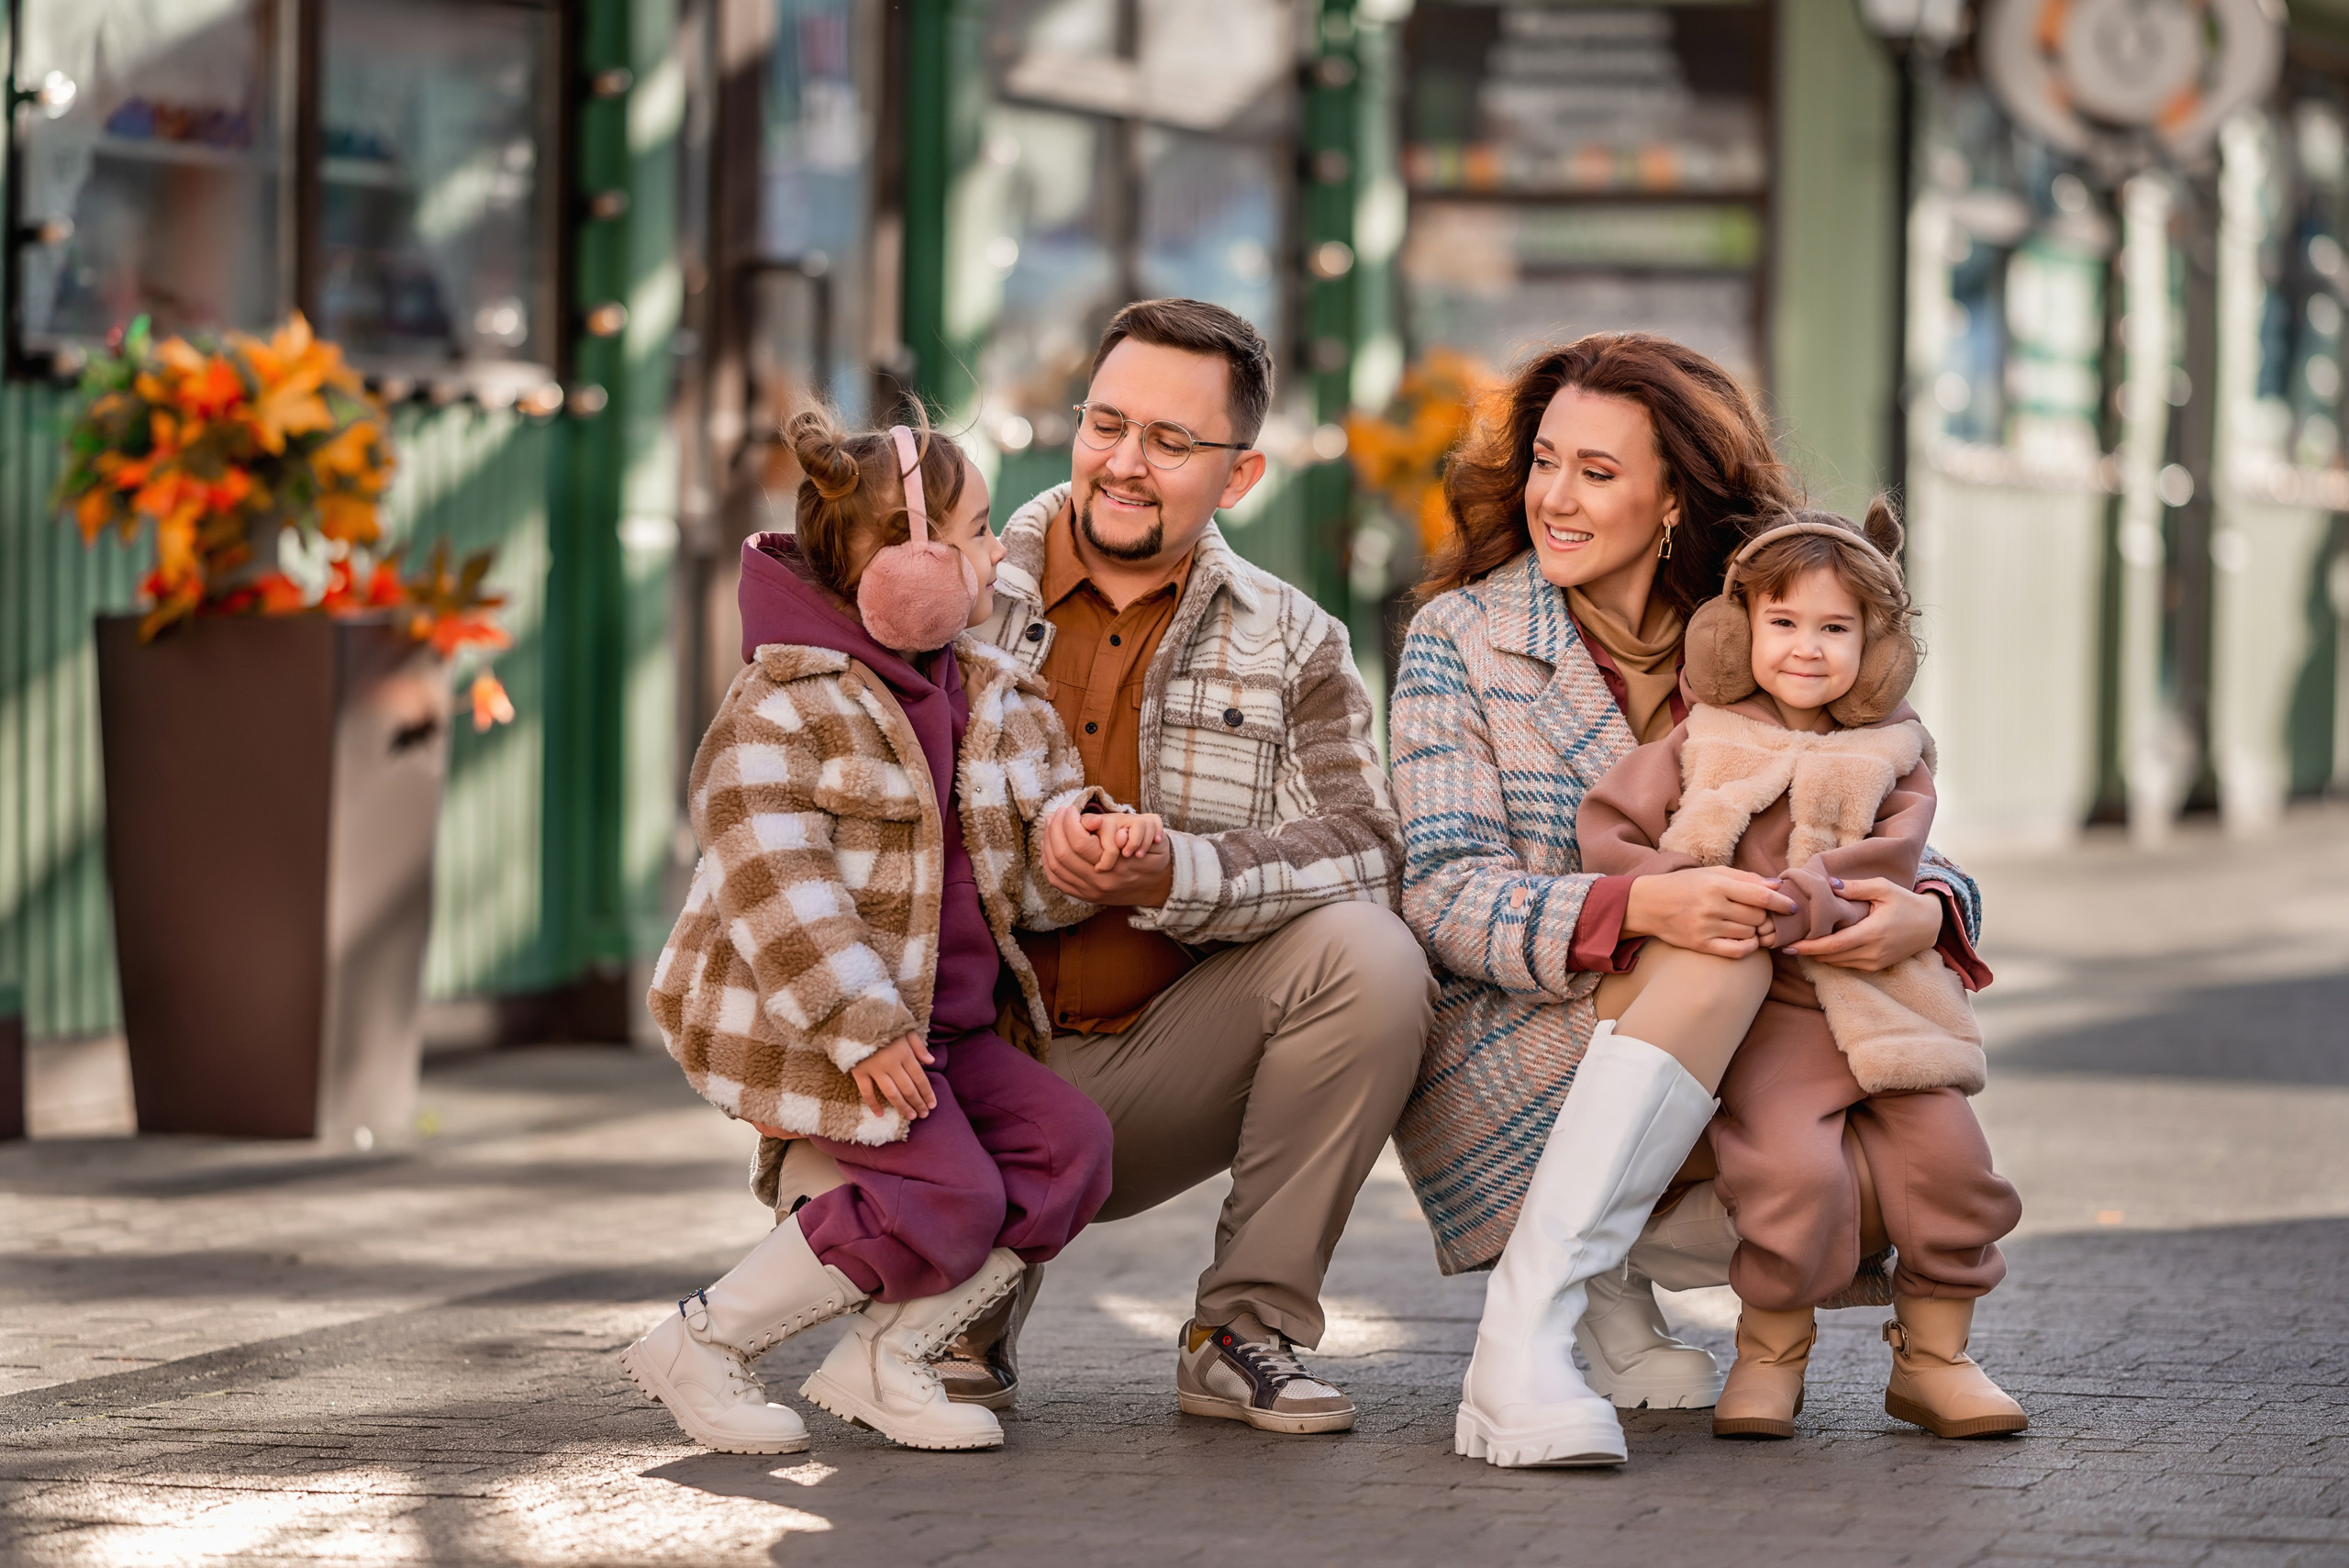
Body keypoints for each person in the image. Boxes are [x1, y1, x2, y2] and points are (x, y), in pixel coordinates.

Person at [783, 296, 1432, 1434]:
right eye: (1105, 423)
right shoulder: (944, 582)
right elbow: (788, 820)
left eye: (1172, 443)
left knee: (1371, 954)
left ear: (1239, 476)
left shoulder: (1295, 639)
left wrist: (1173, 872)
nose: (1125, 465)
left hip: (1152, 1069)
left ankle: (1244, 1329)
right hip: (938, 1070)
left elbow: (1367, 848)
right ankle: (947, 1306)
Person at [1388, 332, 1992, 1468]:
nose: (1553, 499)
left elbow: (1897, 807)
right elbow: (1442, 891)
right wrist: (1636, 909)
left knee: (1916, 1158)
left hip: (1776, 1039)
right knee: (1716, 955)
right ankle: (1523, 1337)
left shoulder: (1783, 614)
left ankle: (1651, 1304)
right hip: (1535, 1038)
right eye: (1544, 462)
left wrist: (1935, 913)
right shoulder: (1458, 639)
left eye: (1597, 472)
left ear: (1673, 497)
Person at [624, 407, 1126, 1455]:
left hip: (950, 1031)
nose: (997, 554)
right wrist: (860, 1022)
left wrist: (1079, 843)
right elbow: (774, 878)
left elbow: (1032, 838)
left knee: (1068, 1150)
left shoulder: (982, 685)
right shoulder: (781, 704)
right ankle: (700, 1342)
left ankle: (885, 1358)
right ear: (907, 557)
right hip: (823, 1025)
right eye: (979, 530)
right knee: (950, 1195)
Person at [1577, 503, 2026, 1444]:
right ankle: (1770, 1352)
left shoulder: (1893, 750)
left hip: (1880, 991)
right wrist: (1682, 888)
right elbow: (1609, 836)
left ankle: (1935, 1357)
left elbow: (1896, 858)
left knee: (1951, 1160)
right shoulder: (1698, 738)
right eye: (1785, 624)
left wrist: (1829, 900)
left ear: (1878, 645)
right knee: (1787, 1168)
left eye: (1835, 629)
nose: (1808, 649)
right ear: (1740, 631)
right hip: (1763, 1007)